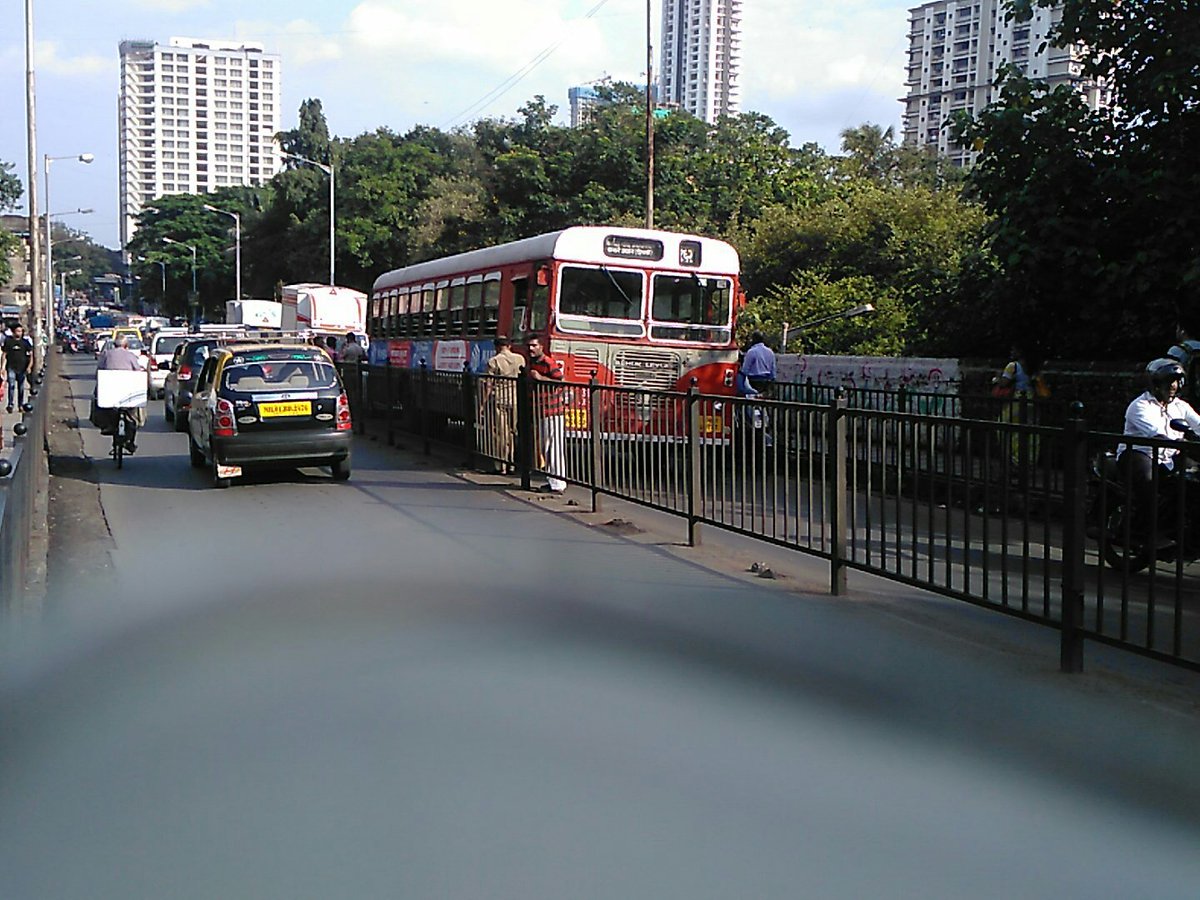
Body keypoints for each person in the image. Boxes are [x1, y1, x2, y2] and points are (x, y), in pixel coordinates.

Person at [1116, 358, 1200, 546]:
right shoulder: (1140, 406)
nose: (1173, 386)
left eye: (1177, 381)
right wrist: (1178, 442)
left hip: (1170, 455)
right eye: (1169, 380)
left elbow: (1199, 424)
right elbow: (1156, 434)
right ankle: (1148, 532)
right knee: (1149, 481)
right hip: (1140, 453)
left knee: (1192, 480)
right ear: (1156, 383)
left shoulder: (1180, 406)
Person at [526, 336, 566, 493]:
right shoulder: (532, 363)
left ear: (541, 347)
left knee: (554, 447)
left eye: (534, 346)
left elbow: (560, 381)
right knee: (546, 447)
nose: (531, 349)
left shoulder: (548, 363)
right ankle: (552, 480)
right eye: (529, 346)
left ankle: (558, 483)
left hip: (553, 412)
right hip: (541, 411)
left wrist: (540, 378)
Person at [480, 336, 523, 474]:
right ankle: (512, 464)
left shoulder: (494, 361)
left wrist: (483, 403)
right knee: (512, 432)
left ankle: (501, 466)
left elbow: (488, 384)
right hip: (516, 399)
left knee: (500, 434)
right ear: (509, 346)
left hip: (500, 400)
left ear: (496, 347)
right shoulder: (520, 359)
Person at [96, 333, 144, 454]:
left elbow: (99, 370)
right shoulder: (130, 356)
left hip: (110, 393)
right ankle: (131, 442)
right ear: (126, 345)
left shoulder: (107, 354)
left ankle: (107, 425)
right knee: (134, 417)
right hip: (127, 394)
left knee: (100, 404)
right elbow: (137, 371)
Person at [3, 324, 33, 414]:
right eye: (17, 331)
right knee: (11, 386)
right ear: (13, 332)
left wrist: (29, 366)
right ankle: (10, 404)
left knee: (21, 387)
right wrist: (2, 367)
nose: (19, 333)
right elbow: (4, 355)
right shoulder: (8, 341)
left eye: (20, 331)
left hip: (22, 368)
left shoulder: (25, 342)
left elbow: (31, 355)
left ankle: (20, 405)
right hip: (11, 367)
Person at [737, 331, 776, 398]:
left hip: (754, 381)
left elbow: (745, 370)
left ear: (754, 339)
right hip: (766, 381)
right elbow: (773, 370)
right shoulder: (770, 352)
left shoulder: (752, 352)